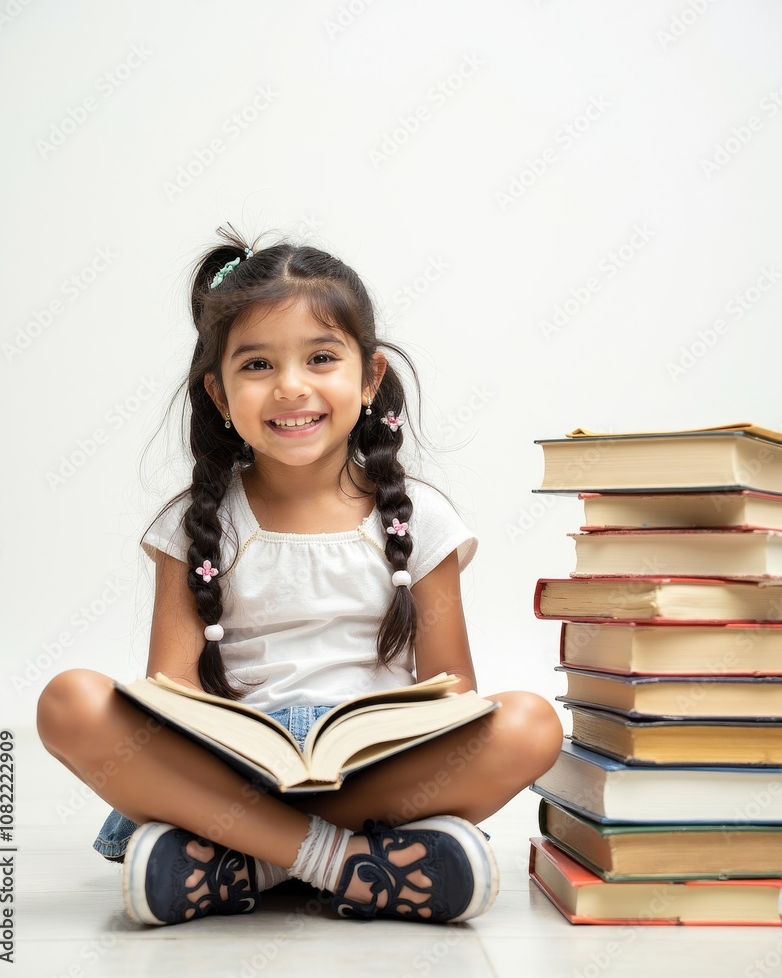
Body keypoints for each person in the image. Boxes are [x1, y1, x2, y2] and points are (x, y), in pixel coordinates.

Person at [36, 229, 562, 927]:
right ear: (218, 393)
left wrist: (371, 741)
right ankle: (348, 865)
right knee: (69, 703)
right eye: (257, 364)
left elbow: (454, 692)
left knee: (529, 723)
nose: (291, 387)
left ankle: (246, 860)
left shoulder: (420, 518)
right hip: (233, 771)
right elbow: (170, 696)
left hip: (372, 771)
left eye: (320, 357)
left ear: (369, 378)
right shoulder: (198, 525)